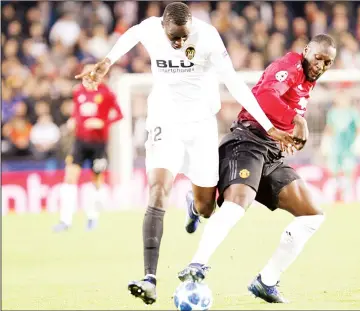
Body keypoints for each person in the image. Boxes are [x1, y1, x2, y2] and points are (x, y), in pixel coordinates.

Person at [75, 2, 295, 305]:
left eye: (183, 37)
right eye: (173, 38)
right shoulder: (151, 28)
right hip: (164, 120)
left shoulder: (207, 37)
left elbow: (233, 82)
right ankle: (149, 279)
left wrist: (269, 126)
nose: (179, 44)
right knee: (157, 190)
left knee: (207, 209)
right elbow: (131, 36)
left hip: (201, 126)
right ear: (164, 27)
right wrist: (107, 61)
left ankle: (193, 202)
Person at [178, 34, 337, 304]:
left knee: (312, 216)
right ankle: (197, 264)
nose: (320, 66)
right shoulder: (290, 66)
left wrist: (286, 135)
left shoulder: (307, 82)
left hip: (271, 152)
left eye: (328, 62)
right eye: (318, 58)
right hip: (247, 141)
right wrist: (296, 119)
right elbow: (263, 97)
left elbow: (282, 109)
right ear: (307, 50)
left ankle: (267, 281)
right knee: (238, 203)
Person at [53, 65, 123, 232]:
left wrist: (103, 123)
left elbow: (119, 114)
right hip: (80, 142)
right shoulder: (78, 92)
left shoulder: (107, 93)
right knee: (69, 178)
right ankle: (65, 221)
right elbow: (77, 112)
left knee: (96, 181)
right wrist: (73, 120)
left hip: (99, 144)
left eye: (89, 74)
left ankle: (92, 217)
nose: (85, 78)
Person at [320, 93, 360, 202]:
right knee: (333, 169)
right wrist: (325, 142)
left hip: (348, 147)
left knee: (348, 169)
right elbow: (329, 128)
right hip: (335, 147)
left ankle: (348, 194)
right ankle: (336, 191)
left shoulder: (352, 112)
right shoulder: (332, 112)